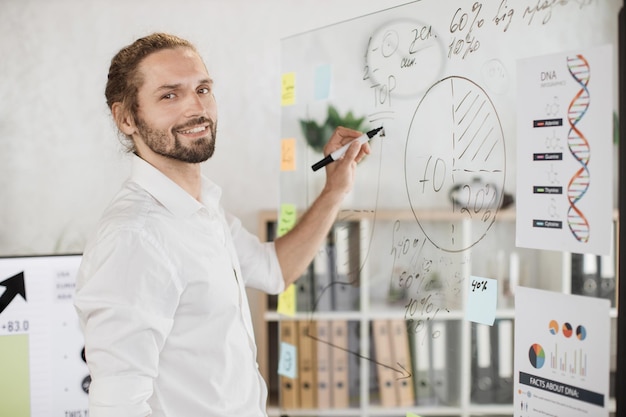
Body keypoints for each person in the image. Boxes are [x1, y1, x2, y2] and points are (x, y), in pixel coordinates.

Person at [73, 32, 370, 417]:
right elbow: (117, 408)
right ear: (126, 118)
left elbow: (274, 270)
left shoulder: (203, 209)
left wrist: (334, 189)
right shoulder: (135, 237)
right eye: (169, 95)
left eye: (203, 89)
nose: (196, 107)